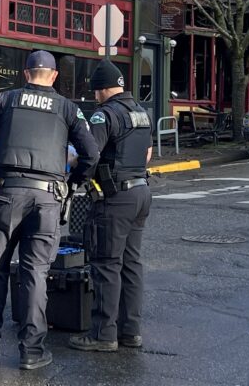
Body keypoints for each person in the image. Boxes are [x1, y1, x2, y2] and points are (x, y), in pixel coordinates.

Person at [0, 50, 99, 371]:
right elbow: (91, 153)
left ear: (25, 74)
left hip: (5, 195)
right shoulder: (68, 108)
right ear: (53, 76)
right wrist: (71, 185)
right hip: (48, 199)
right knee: (35, 273)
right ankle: (31, 352)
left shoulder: (4, 101)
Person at [69, 58, 153, 354]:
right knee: (132, 264)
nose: (94, 96)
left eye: (95, 91)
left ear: (103, 89)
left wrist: (75, 174)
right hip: (141, 192)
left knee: (106, 264)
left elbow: (89, 154)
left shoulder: (105, 116)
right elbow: (147, 155)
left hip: (115, 198)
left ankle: (103, 334)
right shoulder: (141, 112)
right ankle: (130, 331)